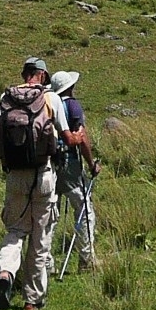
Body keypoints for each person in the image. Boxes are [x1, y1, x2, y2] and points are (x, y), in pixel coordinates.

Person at [0, 58, 81, 310]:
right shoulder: (51, 99)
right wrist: (78, 137)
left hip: (15, 175)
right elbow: (67, 137)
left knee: (15, 230)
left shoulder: (7, 99)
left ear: (25, 75)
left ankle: (4, 272)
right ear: (41, 75)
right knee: (40, 239)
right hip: (44, 175)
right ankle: (32, 300)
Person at [51, 70, 98, 271]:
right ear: (70, 87)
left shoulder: (46, 104)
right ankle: (86, 260)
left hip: (49, 165)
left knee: (49, 214)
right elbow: (82, 139)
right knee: (84, 210)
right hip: (69, 164)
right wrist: (91, 163)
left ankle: (44, 263)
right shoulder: (72, 105)